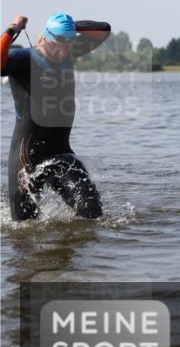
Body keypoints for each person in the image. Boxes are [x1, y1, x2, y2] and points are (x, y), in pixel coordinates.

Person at [1, 13, 111, 220]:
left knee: (92, 212)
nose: (65, 48)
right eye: (59, 41)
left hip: (60, 153)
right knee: (23, 227)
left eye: (70, 41)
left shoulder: (69, 53)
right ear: (45, 37)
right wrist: (12, 29)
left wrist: (70, 27)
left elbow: (103, 30)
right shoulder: (23, 58)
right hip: (26, 158)